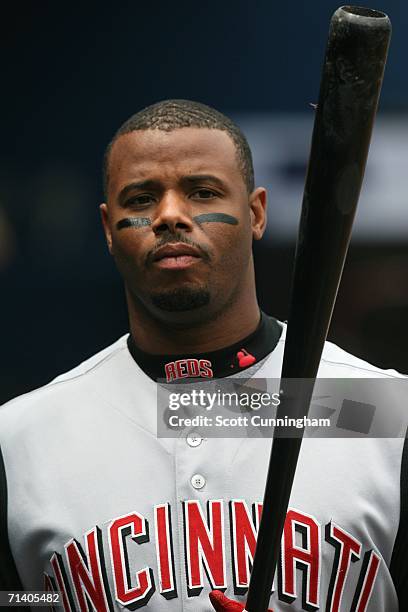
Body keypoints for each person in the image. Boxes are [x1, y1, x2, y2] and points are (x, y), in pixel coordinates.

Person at [0, 99, 406, 612]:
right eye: (142, 199)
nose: (170, 215)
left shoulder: (379, 410)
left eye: (202, 192)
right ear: (107, 228)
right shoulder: (21, 437)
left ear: (256, 213)